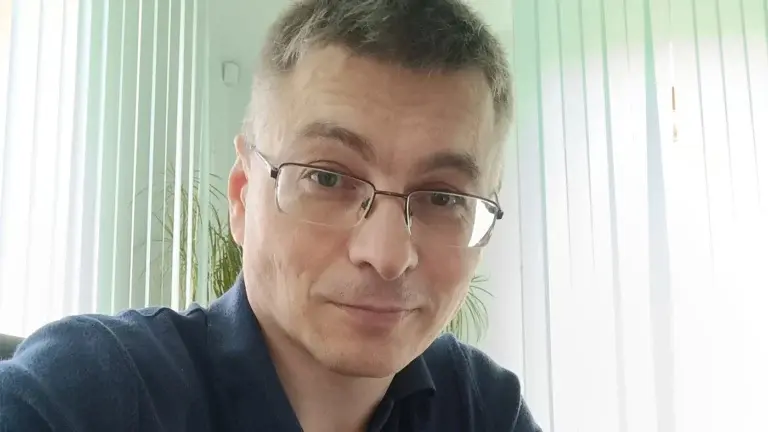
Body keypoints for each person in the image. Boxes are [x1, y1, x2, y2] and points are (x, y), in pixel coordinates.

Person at [0, 0, 541, 431]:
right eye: (327, 178)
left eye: (442, 198)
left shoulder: (484, 408)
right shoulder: (89, 391)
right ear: (242, 197)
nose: (386, 255)